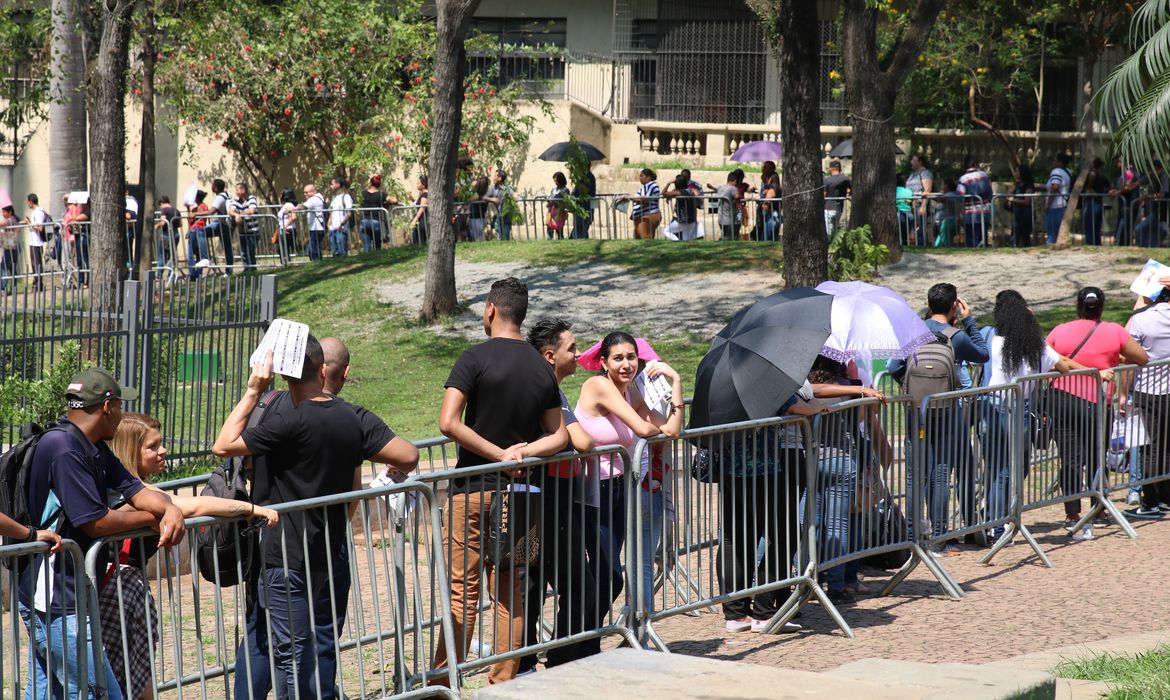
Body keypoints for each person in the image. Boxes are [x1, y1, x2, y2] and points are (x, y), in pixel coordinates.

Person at [212, 333, 405, 700]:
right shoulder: (353, 417)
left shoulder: (276, 410)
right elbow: (403, 457)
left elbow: (224, 447)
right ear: (335, 371)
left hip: (279, 549)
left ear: (284, 373)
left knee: (276, 643)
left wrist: (254, 389)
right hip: (325, 546)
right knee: (315, 640)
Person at [433, 277, 569, 685]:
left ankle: (444, 682)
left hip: (473, 490)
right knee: (511, 589)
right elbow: (560, 434)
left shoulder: (473, 358)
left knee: (462, 590)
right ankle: (504, 683)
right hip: (522, 495)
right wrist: (522, 453)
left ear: (490, 309)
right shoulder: (540, 366)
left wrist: (496, 455)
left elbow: (448, 422)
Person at [20, 367, 185, 700]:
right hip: (55, 599)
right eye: (121, 407)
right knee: (102, 694)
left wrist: (169, 508)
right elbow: (93, 522)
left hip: (68, 594)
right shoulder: (64, 447)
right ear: (108, 408)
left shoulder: (92, 446)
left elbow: (136, 489)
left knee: (47, 694)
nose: (123, 416)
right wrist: (150, 518)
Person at [103, 413, 278, 700]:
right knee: (123, 679)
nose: (163, 452)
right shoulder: (138, 492)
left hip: (125, 588)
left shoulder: (129, 489)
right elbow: (195, 506)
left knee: (134, 677)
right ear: (129, 450)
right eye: (152, 446)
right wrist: (251, 510)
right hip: (118, 591)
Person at [573, 332, 683, 619]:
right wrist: (655, 426)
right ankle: (577, 641)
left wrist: (677, 383)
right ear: (604, 362)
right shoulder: (598, 385)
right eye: (618, 358)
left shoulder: (630, 389)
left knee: (605, 576)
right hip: (591, 490)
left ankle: (586, 643)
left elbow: (671, 430)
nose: (626, 364)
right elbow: (645, 429)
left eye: (631, 357)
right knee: (609, 577)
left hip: (619, 487)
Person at [519, 318, 599, 671]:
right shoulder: (544, 388)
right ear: (550, 355)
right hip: (546, 497)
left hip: (555, 496)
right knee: (564, 586)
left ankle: (547, 660)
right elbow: (582, 441)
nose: (578, 354)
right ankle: (549, 662)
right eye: (572, 348)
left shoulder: (552, 388)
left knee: (554, 586)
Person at [887, 283, 989, 555]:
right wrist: (969, 321)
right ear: (954, 305)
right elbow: (983, 354)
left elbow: (894, 367)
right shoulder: (956, 336)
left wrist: (912, 388)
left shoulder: (913, 332)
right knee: (941, 474)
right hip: (947, 411)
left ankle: (911, 538)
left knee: (913, 477)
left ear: (929, 304)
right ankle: (939, 539)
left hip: (915, 411)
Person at [977, 291, 1082, 543]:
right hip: (1018, 409)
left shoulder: (991, 339)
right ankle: (997, 524)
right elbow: (1063, 366)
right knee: (1013, 469)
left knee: (996, 468)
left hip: (991, 407)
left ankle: (992, 518)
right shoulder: (1035, 344)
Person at [1045, 287, 1147, 539]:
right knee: (1095, 456)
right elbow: (1142, 358)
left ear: (1078, 306)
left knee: (1069, 457)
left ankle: (1072, 513)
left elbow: (1047, 357)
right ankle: (1098, 509)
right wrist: (1115, 357)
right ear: (1101, 307)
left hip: (1062, 398)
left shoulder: (1059, 330)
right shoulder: (1114, 331)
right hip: (1095, 401)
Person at [1126, 277, 1170, 518]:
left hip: (1147, 389)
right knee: (1167, 447)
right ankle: (1166, 498)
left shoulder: (1140, 320)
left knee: (1149, 448)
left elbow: (1128, 358)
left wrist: (1123, 394)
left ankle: (1150, 501)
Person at [200, 179, 235, 274]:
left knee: (200, 232)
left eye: (212, 185)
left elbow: (211, 211)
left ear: (215, 187)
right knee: (227, 248)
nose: (211, 187)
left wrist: (195, 214)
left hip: (221, 224)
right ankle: (229, 270)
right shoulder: (228, 194)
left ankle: (204, 257)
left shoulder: (219, 197)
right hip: (227, 225)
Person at [957, 156, 993, 247]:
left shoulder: (963, 179)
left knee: (971, 240)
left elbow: (960, 197)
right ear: (975, 164)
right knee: (983, 237)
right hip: (985, 211)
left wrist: (959, 214)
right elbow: (990, 192)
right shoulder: (984, 175)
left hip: (970, 214)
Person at [1135, 159, 1170, 248]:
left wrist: (1146, 197)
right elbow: (1137, 183)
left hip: (1161, 211)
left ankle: (1142, 248)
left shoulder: (1164, 176)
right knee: (1155, 234)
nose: (1151, 172)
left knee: (1139, 229)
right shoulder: (1153, 176)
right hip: (1156, 211)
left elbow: (1162, 195)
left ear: (1159, 168)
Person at [1110, 160, 1143, 246]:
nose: (1115, 164)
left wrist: (1117, 193)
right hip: (1127, 205)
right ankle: (1124, 244)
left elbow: (1127, 187)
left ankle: (1119, 244)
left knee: (1123, 227)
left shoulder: (1129, 172)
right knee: (1126, 227)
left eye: (1117, 161)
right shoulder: (1127, 172)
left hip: (1128, 206)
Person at [229, 183, 261, 271]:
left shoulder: (251, 198)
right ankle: (246, 268)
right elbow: (230, 210)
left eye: (237, 190)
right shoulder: (236, 200)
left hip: (253, 231)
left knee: (250, 251)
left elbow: (252, 210)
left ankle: (252, 268)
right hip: (242, 231)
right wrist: (236, 215)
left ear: (243, 190)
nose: (236, 192)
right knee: (243, 252)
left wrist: (240, 214)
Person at [663, 172, 702, 240]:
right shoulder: (690, 190)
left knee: (666, 231)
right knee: (685, 240)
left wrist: (668, 183)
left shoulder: (679, 192)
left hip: (683, 221)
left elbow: (663, 193)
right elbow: (697, 194)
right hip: (691, 220)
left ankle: (676, 241)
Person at [1081, 158, 1111, 246]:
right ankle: (1097, 243)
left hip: (1091, 202)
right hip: (1099, 202)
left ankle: (1090, 243)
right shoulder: (1103, 176)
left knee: (1089, 225)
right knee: (1097, 226)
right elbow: (1110, 187)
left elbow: (1091, 181)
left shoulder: (1092, 174)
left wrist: (1089, 189)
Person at [906, 154, 934, 246]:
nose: (911, 162)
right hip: (910, 205)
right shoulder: (912, 174)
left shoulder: (925, 173)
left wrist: (923, 206)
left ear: (920, 162)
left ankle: (922, 246)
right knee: (914, 228)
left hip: (919, 205)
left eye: (913, 160)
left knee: (920, 228)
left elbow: (927, 190)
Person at [1045, 153, 1072, 245]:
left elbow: (1055, 187)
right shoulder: (1068, 172)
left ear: (1060, 162)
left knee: (1052, 234)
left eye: (1055, 160)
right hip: (1063, 205)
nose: (1053, 162)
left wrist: (1048, 204)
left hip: (1055, 206)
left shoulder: (1057, 171)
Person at [711, 170, 744, 241]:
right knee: (732, 238)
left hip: (720, 219)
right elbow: (738, 196)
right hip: (729, 219)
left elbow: (717, 190)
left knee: (726, 236)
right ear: (735, 181)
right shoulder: (733, 188)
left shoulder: (721, 187)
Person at [186, 190, 212, 280]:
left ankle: (194, 274)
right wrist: (188, 208)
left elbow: (194, 216)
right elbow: (190, 220)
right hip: (193, 230)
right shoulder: (195, 208)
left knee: (192, 254)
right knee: (195, 254)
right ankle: (196, 274)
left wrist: (193, 211)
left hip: (197, 230)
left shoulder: (203, 206)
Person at [1008, 164, 1036, 247]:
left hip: (1025, 214)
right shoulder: (1017, 184)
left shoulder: (1028, 185)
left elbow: (1027, 201)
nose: (1015, 173)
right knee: (1014, 235)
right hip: (1017, 213)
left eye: (1017, 171)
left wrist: (1013, 200)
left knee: (1025, 236)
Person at [630, 168, 662, 240]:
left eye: (642, 176)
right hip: (643, 216)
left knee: (645, 239)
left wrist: (629, 197)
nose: (640, 178)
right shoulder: (645, 187)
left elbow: (644, 200)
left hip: (648, 215)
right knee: (643, 238)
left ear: (648, 177)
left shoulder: (652, 185)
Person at [823, 160, 851, 239]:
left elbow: (824, 195)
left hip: (828, 208)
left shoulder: (827, 180)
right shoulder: (845, 179)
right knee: (835, 230)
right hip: (839, 208)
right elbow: (851, 190)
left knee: (828, 231)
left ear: (830, 169)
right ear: (839, 168)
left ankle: (829, 247)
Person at [298, 183, 327, 260]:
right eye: (304, 192)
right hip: (316, 227)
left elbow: (303, 206)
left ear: (313, 191)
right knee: (313, 247)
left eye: (306, 192)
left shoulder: (314, 199)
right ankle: (318, 261)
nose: (305, 194)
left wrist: (292, 208)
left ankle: (317, 261)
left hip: (316, 227)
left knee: (313, 248)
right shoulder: (318, 198)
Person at [24, 193, 46, 289]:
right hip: (33, 241)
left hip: (37, 242)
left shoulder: (38, 212)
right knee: (34, 263)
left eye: (28, 202)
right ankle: (36, 282)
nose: (27, 204)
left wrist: (29, 223)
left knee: (36, 263)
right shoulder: (35, 212)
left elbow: (40, 228)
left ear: (31, 201)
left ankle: (38, 284)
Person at [360, 175, 388, 252]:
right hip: (376, 221)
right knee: (377, 244)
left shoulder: (363, 194)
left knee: (366, 245)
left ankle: (367, 260)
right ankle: (377, 259)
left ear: (370, 183)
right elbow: (394, 200)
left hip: (364, 221)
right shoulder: (382, 194)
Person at [327, 177, 354, 257]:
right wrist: (329, 224)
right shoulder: (334, 198)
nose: (331, 186)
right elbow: (331, 212)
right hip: (333, 229)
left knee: (342, 253)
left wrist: (342, 224)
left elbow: (349, 213)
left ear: (338, 184)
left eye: (332, 184)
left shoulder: (346, 197)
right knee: (335, 253)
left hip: (341, 229)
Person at [932, 178, 963, 247]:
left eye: (942, 184)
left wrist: (928, 195)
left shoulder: (950, 195)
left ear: (946, 185)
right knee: (938, 244)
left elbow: (940, 199)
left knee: (946, 243)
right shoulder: (949, 194)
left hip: (947, 223)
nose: (941, 186)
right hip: (943, 222)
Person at [483, 170, 513, 242]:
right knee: (499, 236)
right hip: (498, 216)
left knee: (505, 237)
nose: (493, 178)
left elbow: (513, 195)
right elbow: (484, 197)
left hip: (506, 216)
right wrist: (492, 199)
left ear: (499, 178)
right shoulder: (493, 188)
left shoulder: (507, 188)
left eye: (495, 176)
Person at [154, 196, 182, 270]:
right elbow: (180, 224)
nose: (161, 208)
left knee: (161, 256)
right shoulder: (177, 210)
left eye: (160, 206)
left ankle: (159, 276)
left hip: (165, 235)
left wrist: (157, 225)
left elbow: (163, 222)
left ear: (162, 203)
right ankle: (171, 275)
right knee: (172, 256)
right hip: (175, 235)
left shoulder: (164, 210)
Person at [571, 165, 597, 240]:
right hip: (579, 208)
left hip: (586, 208)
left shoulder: (589, 176)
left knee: (580, 231)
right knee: (580, 231)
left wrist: (578, 182)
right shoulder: (581, 176)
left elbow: (586, 190)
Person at [275, 187, 298, 265]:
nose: (280, 196)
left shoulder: (289, 205)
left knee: (283, 248)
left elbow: (294, 216)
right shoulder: (286, 205)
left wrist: (286, 225)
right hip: (285, 229)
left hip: (287, 229)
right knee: (283, 249)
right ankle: (286, 263)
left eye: (282, 194)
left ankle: (286, 263)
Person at [0, 205, 19, 294]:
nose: (3, 213)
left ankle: (2, 287)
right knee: (12, 268)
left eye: (4, 211)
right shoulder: (15, 219)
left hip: (10, 247)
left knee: (3, 267)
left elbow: (2, 224)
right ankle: (14, 288)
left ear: (10, 212)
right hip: (13, 246)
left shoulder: (10, 219)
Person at [546, 172, 569, 240]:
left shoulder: (565, 190)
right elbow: (550, 197)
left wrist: (555, 202)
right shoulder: (553, 189)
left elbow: (565, 202)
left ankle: (560, 240)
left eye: (556, 180)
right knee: (549, 227)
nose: (555, 182)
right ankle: (549, 240)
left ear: (561, 180)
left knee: (558, 229)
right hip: (551, 211)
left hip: (559, 212)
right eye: (554, 180)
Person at [468, 176, 490, 242]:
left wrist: (472, 187)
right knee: (477, 236)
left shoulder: (480, 194)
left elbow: (469, 199)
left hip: (477, 218)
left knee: (478, 238)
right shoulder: (480, 194)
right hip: (477, 217)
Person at [896, 174, 914, 246]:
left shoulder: (892, 190)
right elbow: (912, 203)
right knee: (905, 235)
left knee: (899, 235)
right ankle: (905, 245)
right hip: (909, 215)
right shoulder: (909, 191)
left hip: (898, 214)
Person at [410, 176, 429, 245]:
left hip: (422, 221)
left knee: (420, 241)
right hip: (422, 220)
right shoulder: (425, 194)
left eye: (418, 183)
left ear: (423, 185)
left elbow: (422, 208)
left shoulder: (425, 194)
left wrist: (414, 220)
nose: (417, 185)